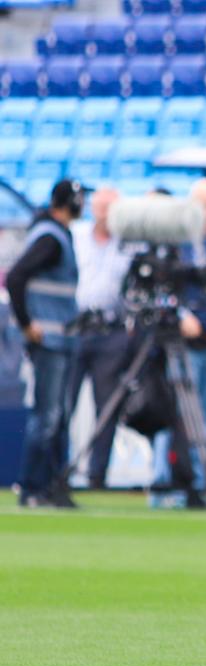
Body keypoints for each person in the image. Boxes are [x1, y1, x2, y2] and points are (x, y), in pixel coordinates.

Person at [149, 179, 206, 509]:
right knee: (176, 414)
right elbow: (161, 287)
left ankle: (202, 482)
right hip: (184, 343)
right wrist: (181, 315)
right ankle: (163, 483)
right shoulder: (176, 240)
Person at [4, 179, 86, 508]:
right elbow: (15, 277)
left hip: (61, 338)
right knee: (48, 415)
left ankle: (52, 485)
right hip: (49, 340)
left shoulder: (56, 234)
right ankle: (34, 487)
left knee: (57, 415)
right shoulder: (50, 238)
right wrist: (27, 324)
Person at [68, 186, 133, 490]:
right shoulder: (76, 236)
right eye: (100, 207)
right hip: (76, 328)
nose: (105, 214)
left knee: (106, 407)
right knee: (63, 403)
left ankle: (97, 476)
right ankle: (55, 472)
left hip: (111, 332)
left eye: (111, 208)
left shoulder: (129, 244)